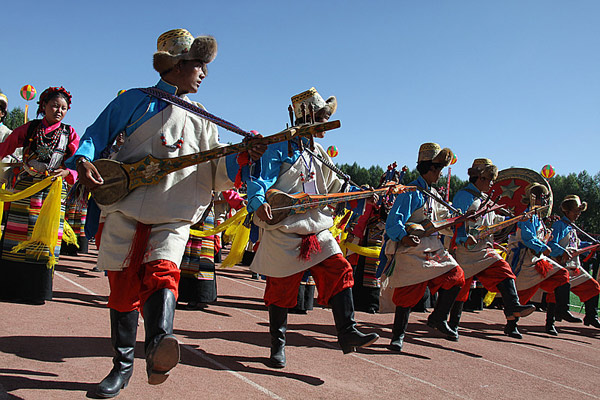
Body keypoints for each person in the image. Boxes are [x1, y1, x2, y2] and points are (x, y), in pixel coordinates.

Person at [68, 29, 265, 398]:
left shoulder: (204, 117)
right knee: (123, 288)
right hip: (125, 207)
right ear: (177, 66)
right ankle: (121, 367)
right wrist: (83, 157)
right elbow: (95, 135)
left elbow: (217, 166)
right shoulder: (133, 101)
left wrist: (242, 155)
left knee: (164, 273)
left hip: (173, 214)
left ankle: (160, 344)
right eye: (198, 65)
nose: (203, 73)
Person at [246, 87, 379, 368]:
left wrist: (359, 193)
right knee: (280, 292)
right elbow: (260, 181)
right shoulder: (277, 146)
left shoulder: (317, 151)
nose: (324, 124)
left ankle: (347, 332)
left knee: (340, 269)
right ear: (306, 115)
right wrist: (259, 201)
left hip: (317, 229)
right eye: (320, 117)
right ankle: (277, 346)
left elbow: (335, 186)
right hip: (285, 230)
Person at [0, 87, 79, 304]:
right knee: (17, 233)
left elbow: (77, 162)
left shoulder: (69, 133)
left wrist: (68, 172)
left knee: (45, 238)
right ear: (43, 106)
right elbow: (6, 147)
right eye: (54, 106)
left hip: (52, 191)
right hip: (26, 187)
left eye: (63, 108)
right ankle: (10, 288)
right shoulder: (31, 128)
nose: (59, 111)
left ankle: (36, 291)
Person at [384, 142, 465, 352]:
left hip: (433, 247)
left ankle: (438, 318)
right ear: (429, 168)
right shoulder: (410, 191)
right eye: (437, 169)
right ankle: (397, 336)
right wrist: (404, 237)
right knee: (407, 294)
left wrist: (455, 220)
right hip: (412, 247)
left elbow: (441, 221)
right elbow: (394, 221)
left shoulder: (434, 195)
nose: (439, 174)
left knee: (456, 277)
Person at [450, 158, 535, 337]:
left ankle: (512, 315)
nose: (491, 184)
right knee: (461, 287)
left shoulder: (485, 199)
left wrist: (517, 219)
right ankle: (452, 323)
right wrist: (464, 238)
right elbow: (455, 220)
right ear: (480, 178)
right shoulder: (464, 196)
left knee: (504, 270)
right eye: (489, 180)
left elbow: (492, 221)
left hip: (484, 250)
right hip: (465, 250)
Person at [506, 184, 572, 338]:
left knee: (561, 275)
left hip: (537, 260)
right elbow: (528, 238)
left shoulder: (537, 217)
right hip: (524, 259)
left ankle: (561, 311)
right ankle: (511, 325)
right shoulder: (527, 215)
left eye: (545, 197)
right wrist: (543, 247)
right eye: (543, 197)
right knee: (522, 292)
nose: (545, 200)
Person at [547, 195, 600, 333]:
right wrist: (562, 251)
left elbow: (576, 245)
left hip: (574, 267)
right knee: (554, 293)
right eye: (575, 211)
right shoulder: (560, 225)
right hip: (561, 266)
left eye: (579, 211)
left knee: (593, 286)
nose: (578, 214)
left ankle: (591, 316)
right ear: (567, 211)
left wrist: (592, 245)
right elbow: (551, 243)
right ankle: (550, 322)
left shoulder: (572, 227)